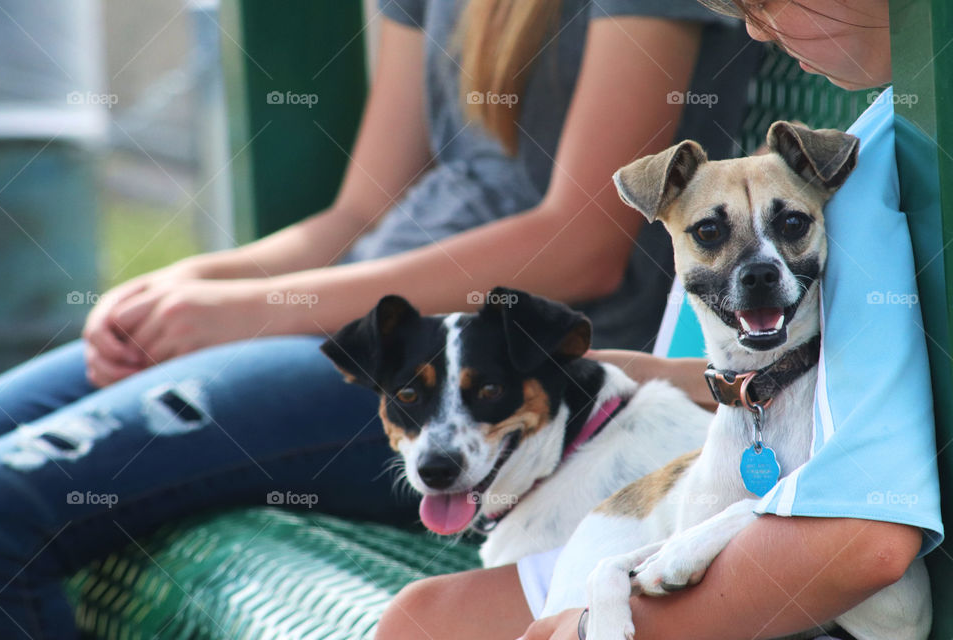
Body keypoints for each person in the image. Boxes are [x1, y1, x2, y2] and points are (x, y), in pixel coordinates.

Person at [0, 1, 760, 637]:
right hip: (361, 315)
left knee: (5, 504)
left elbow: (582, 243)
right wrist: (195, 282)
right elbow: (362, 209)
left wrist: (251, 310)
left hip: (484, 371)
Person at [374, 1, 945, 639]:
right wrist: (648, 370)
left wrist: (596, 627)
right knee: (414, 617)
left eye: (765, 2)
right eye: (709, 234)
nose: (753, 28)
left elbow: (864, 538)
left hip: (799, 562)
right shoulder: (885, 139)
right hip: (710, 458)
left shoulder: (869, 177)